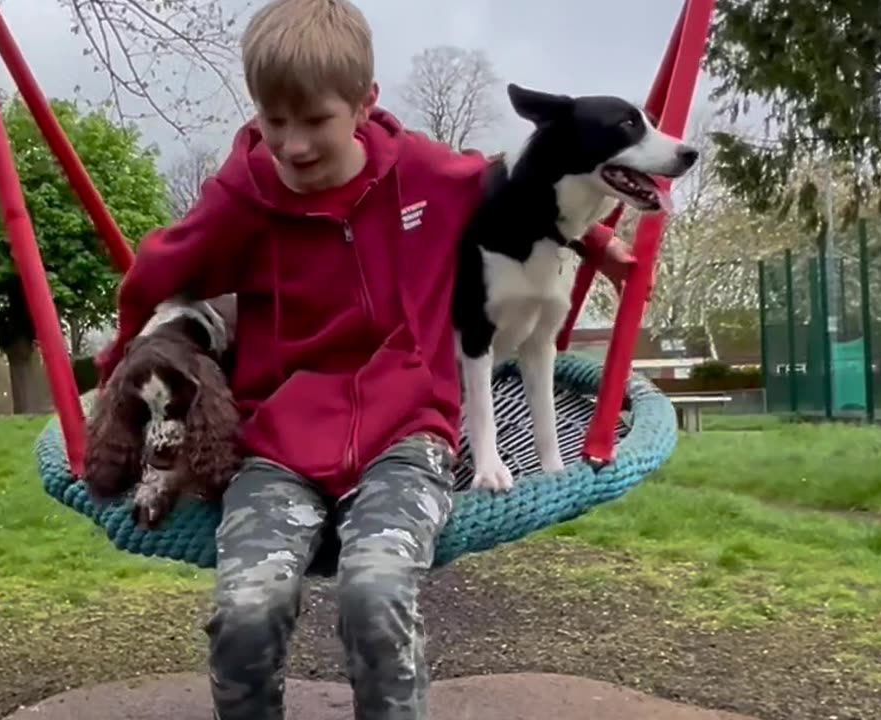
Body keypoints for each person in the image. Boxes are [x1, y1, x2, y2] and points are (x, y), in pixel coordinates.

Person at [93, 1, 633, 717]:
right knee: (247, 612)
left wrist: (595, 243)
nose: (292, 146)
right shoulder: (241, 196)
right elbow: (156, 273)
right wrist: (112, 389)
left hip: (404, 434)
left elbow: (526, 192)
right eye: (273, 122)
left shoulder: (423, 174)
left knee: (374, 594)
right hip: (275, 444)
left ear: (364, 104)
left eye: (314, 121)